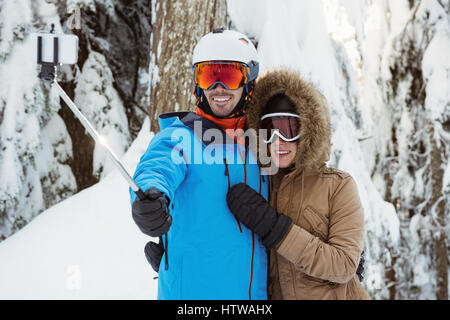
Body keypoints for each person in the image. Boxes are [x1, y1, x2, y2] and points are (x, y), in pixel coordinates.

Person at [130, 29, 273, 300]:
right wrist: (149, 197)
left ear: (249, 83)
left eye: (230, 76)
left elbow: (301, 190)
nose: (218, 88)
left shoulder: (263, 142)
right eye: (209, 75)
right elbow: (157, 167)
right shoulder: (182, 136)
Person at [226, 68, 371, 299]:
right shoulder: (261, 184)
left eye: (288, 130)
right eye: (269, 131)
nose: (278, 141)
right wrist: (177, 252)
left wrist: (276, 230)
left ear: (309, 130)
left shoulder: (338, 186)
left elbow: (344, 265)